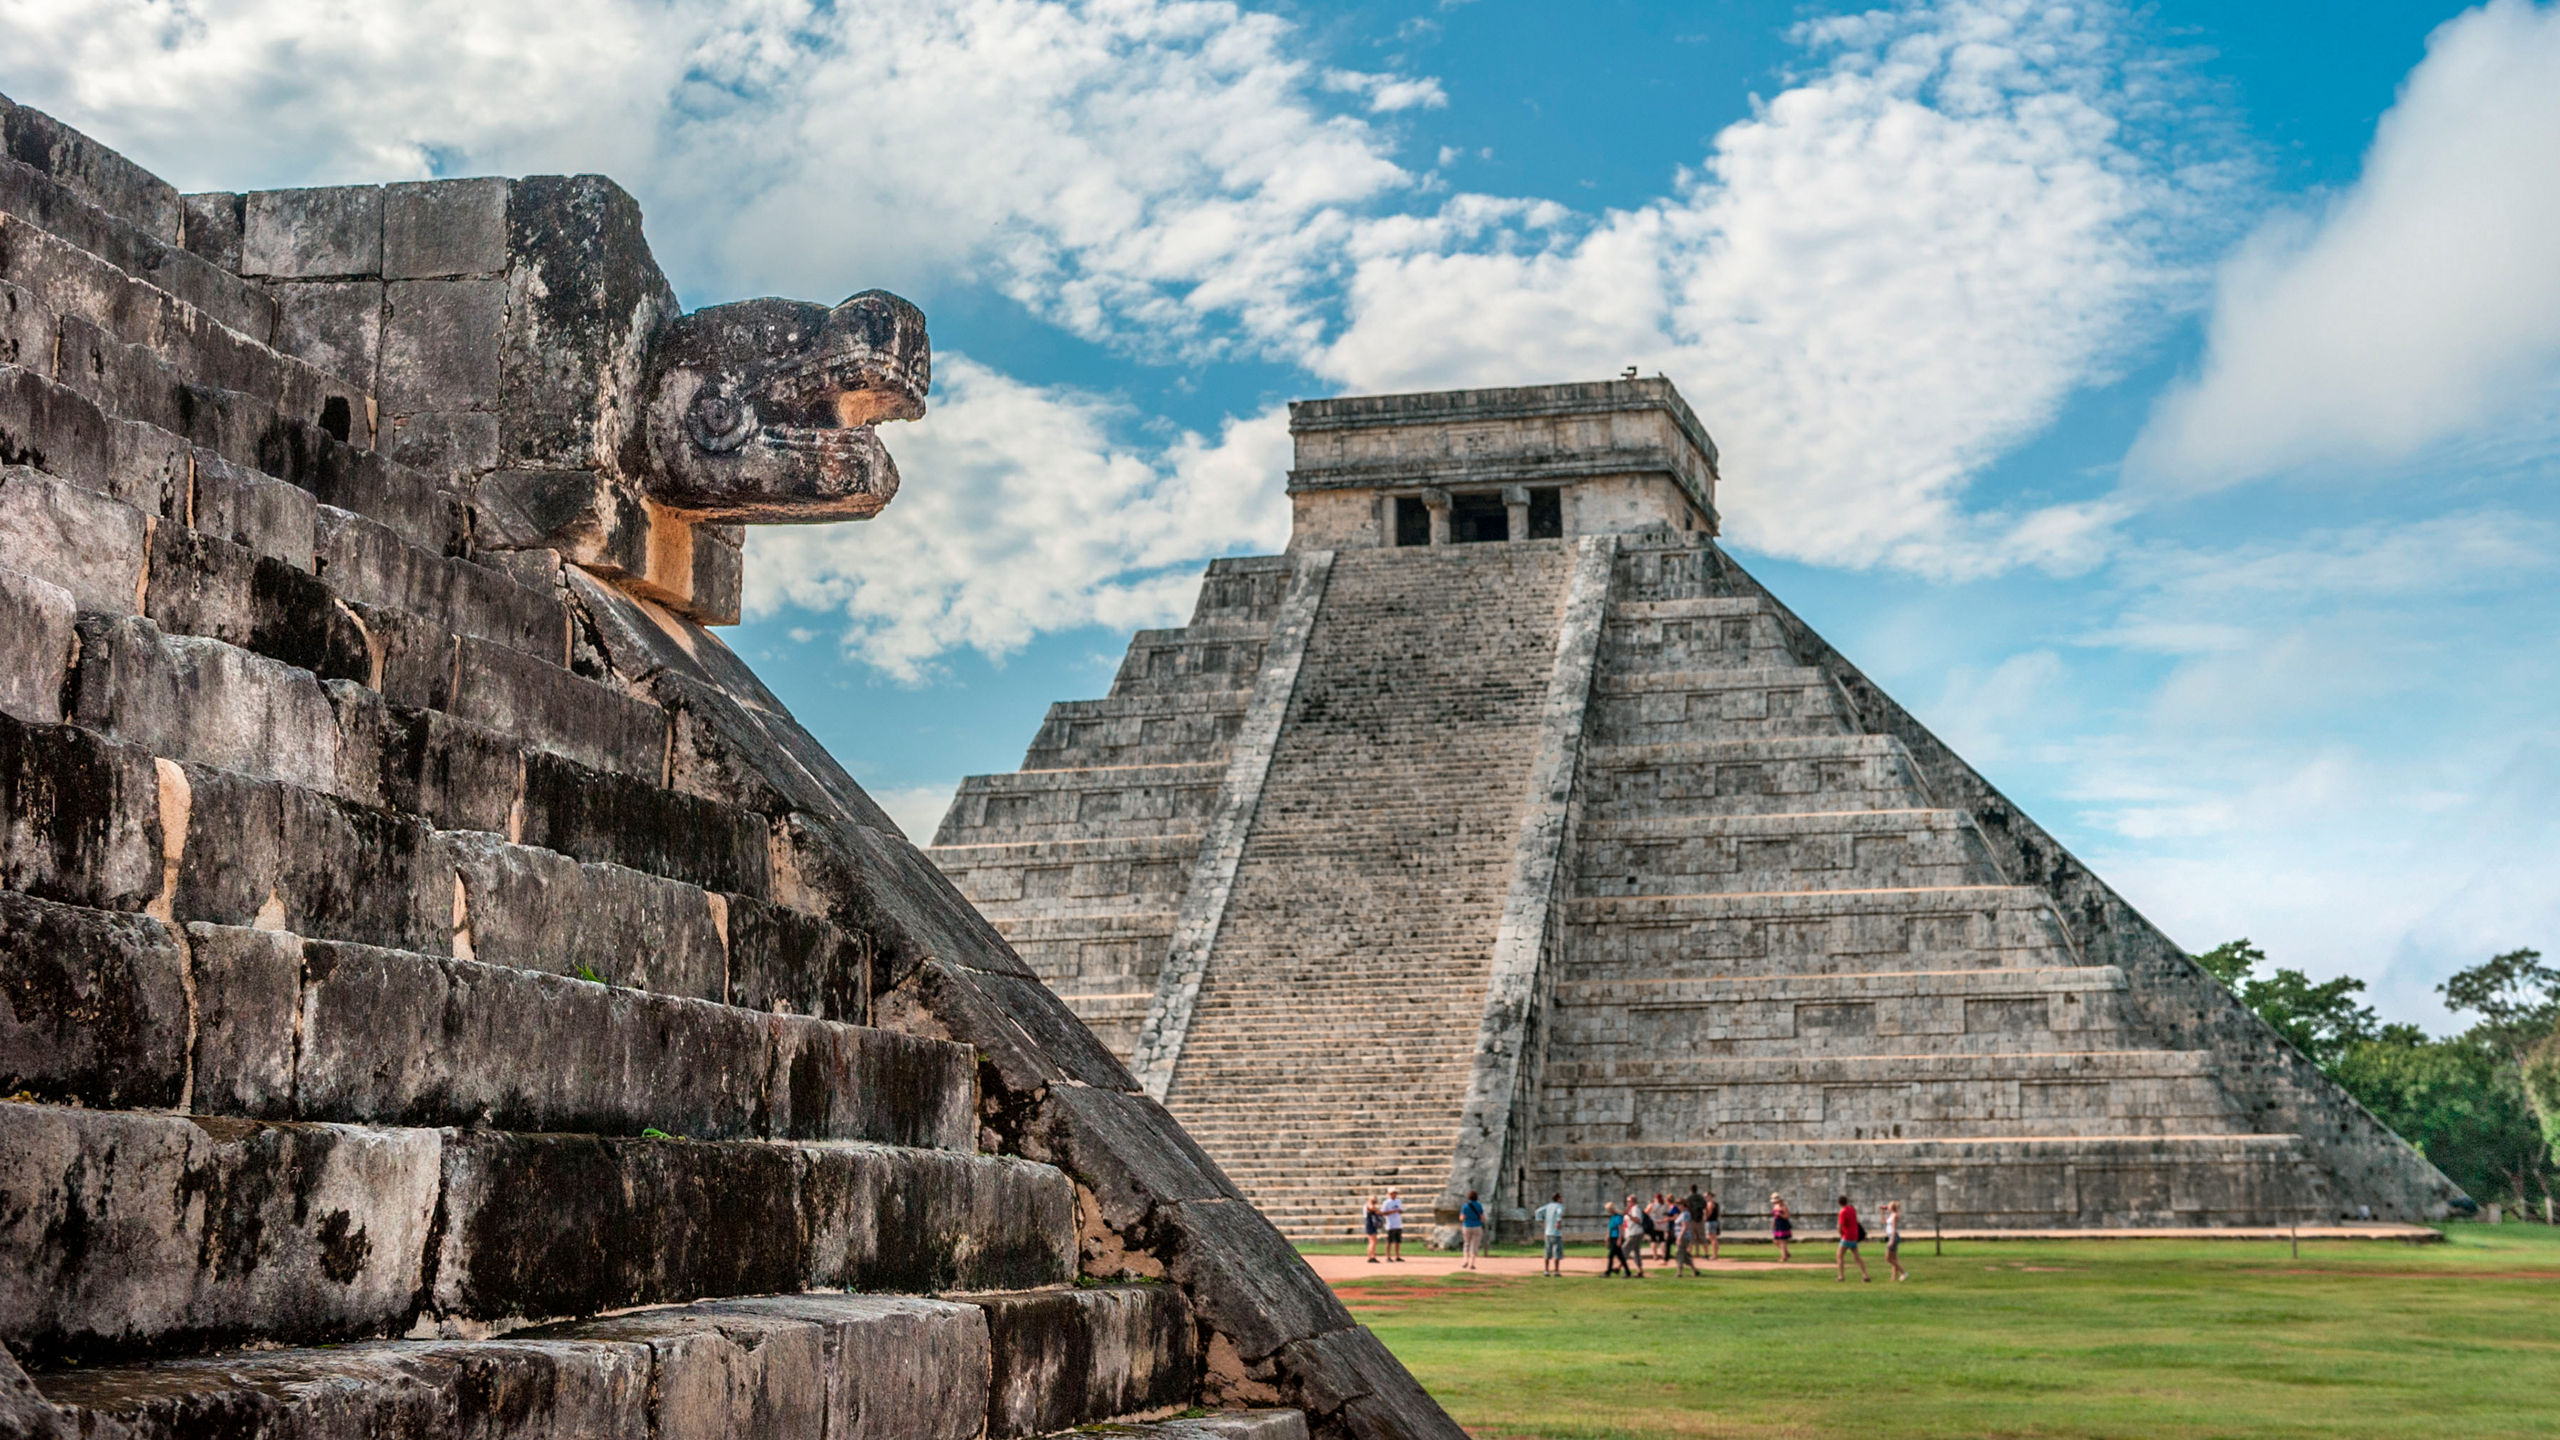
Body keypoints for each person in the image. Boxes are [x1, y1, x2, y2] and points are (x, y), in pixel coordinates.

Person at [1835, 1194, 1870, 1282]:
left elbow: (1840, 1226)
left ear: (1839, 1203)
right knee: (1857, 1257)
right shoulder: (1852, 1209)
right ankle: (1865, 1275)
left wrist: (1841, 1235)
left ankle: (1841, 1276)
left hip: (1847, 1236)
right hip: (1854, 1235)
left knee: (1839, 1256)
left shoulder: (1842, 1212)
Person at [1536, 1191, 1567, 1277]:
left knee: (1547, 1252)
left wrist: (1540, 1220)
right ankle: (1556, 1271)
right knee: (1557, 1252)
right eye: (1561, 1197)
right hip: (1556, 1233)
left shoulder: (1548, 1206)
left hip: (1547, 1232)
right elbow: (1559, 1213)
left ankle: (1546, 1271)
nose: (1562, 1199)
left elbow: (1538, 1211)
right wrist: (1558, 1222)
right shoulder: (1559, 1206)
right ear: (1558, 1199)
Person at [1459, 1189, 1487, 1270]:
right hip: (1477, 1226)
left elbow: (1461, 1218)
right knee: (1474, 1245)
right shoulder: (1479, 1205)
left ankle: (1465, 1261)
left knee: (1466, 1244)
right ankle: (1472, 1263)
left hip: (1467, 1226)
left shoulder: (1465, 1206)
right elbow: (1482, 1217)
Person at [1622, 1194, 1647, 1277]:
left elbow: (1637, 1220)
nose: (1627, 1203)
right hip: (1633, 1232)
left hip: (1635, 1233)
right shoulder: (1631, 1209)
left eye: (1629, 1201)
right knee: (1636, 1252)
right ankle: (1640, 1270)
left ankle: (1624, 1270)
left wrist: (1628, 1215)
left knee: (1625, 1249)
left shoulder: (1635, 1208)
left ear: (1633, 1201)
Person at [1674, 1199, 1699, 1275]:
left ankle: (1679, 1272)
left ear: (1684, 1205)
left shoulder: (1685, 1214)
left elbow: (1684, 1227)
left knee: (1679, 1253)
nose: (1678, 1206)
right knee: (1684, 1254)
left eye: (1679, 1205)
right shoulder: (1682, 1213)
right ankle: (1695, 1270)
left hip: (1683, 1237)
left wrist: (1680, 1238)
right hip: (1682, 1236)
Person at [1604, 1203, 1630, 1277]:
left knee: (1611, 1256)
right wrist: (1607, 1237)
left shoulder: (1618, 1217)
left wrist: (1619, 1239)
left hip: (1617, 1238)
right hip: (1612, 1238)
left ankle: (1608, 1272)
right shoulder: (1612, 1217)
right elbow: (1610, 1228)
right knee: (1621, 1257)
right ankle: (1628, 1272)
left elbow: (1620, 1229)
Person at [1884, 1200, 1907, 1282]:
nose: (1887, 1206)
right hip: (1892, 1237)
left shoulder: (1894, 1216)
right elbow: (1884, 1222)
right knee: (1894, 1258)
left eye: (1889, 1205)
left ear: (1891, 1207)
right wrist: (1882, 1213)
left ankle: (1903, 1273)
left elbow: (1894, 1229)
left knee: (1888, 1258)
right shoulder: (1891, 1215)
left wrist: (1891, 1240)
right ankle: (1894, 1277)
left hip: (1893, 1237)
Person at [1381, 1187, 1405, 1262]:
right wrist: (1393, 1211)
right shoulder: (1386, 1202)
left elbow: (1401, 1210)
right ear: (1389, 1194)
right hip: (1390, 1224)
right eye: (1392, 1193)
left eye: (1395, 1193)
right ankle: (1388, 1256)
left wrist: (1400, 1211)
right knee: (1389, 1241)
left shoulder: (1398, 1201)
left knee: (1397, 1241)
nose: (1394, 1195)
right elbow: (1383, 1213)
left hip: (1398, 1224)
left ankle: (1397, 1256)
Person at [1770, 1193, 1793, 1263]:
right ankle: (1786, 1253)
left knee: (1782, 1242)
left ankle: (1784, 1257)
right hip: (1777, 1225)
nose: (1775, 1202)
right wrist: (1773, 1223)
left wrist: (1780, 1214)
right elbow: (1775, 1217)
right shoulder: (1775, 1206)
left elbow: (1787, 1216)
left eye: (1776, 1201)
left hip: (1783, 1225)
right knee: (1775, 1241)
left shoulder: (1784, 1207)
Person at [1702, 1189, 1722, 1262]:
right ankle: (1715, 1254)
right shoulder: (1716, 1204)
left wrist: (1705, 1219)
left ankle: (1715, 1255)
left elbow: (1708, 1213)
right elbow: (1718, 1213)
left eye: (1706, 1196)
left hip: (1710, 1222)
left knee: (1713, 1239)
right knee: (1714, 1239)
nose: (1705, 1198)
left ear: (1710, 1196)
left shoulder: (1709, 1203)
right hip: (1715, 1221)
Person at [1363, 1196, 1383, 1263]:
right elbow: (1374, 1209)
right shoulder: (1369, 1205)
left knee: (1372, 1241)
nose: (1374, 1201)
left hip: (1371, 1225)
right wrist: (1377, 1210)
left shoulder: (1368, 1205)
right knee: (1373, 1241)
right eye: (1373, 1200)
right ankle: (1372, 1257)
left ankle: (1370, 1256)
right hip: (1370, 1225)